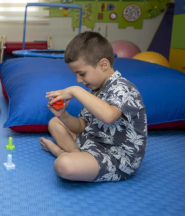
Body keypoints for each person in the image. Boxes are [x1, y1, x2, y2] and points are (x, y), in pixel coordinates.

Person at [40, 31, 147, 182]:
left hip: (116, 158)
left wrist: (75, 91)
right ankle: (77, 154)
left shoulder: (124, 88)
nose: (78, 80)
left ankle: (61, 153)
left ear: (103, 65)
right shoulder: (96, 90)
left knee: (63, 165)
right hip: (91, 142)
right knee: (55, 122)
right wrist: (62, 115)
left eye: (82, 74)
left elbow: (109, 116)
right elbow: (81, 126)